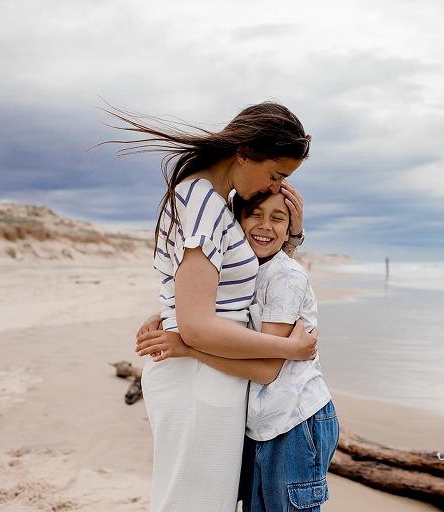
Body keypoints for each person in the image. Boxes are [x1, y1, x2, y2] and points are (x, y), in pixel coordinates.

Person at [105, 101, 317, 512]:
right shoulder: (202, 203)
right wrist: (289, 349)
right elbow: (198, 326)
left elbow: (224, 291)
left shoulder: (212, 201)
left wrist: (294, 237)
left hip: (211, 371)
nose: (275, 188)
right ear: (244, 152)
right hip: (200, 378)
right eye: (275, 175)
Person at [136, 190, 339, 512]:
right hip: (261, 423)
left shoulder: (285, 277)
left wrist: (187, 348)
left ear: (288, 230)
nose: (265, 225)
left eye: (278, 218)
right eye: (254, 214)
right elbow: (211, 308)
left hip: (294, 422)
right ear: (235, 222)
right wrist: (164, 316)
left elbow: (267, 370)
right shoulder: (244, 270)